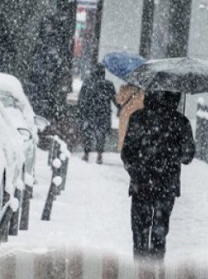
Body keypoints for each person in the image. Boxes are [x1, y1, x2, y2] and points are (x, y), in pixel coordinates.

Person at [121, 90, 195, 261]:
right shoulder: (180, 122)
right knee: (159, 233)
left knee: (139, 233)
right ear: (176, 97)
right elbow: (188, 157)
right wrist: (173, 153)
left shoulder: (138, 118)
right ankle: (155, 270)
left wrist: (135, 171)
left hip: (141, 183)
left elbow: (127, 153)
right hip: (166, 185)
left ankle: (140, 272)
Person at [77, 63, 116, 164]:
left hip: (90, 112)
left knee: (87, 133)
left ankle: (86, 154)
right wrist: (120, 108)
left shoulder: (87, 82)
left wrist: (80, 111)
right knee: (101, 135)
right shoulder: (108, 84)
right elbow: (114, 99)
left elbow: (81, 98)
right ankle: (99, 155)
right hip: (104, 113)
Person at [115, 83, 145, 151]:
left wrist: (121, 90)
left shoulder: (125, 88)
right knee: (136, 132)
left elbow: (119, 100)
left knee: (124, 133)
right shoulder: (142, 90)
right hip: (137, 114)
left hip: (126, 114)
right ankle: (135, 148)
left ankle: (124, 149)